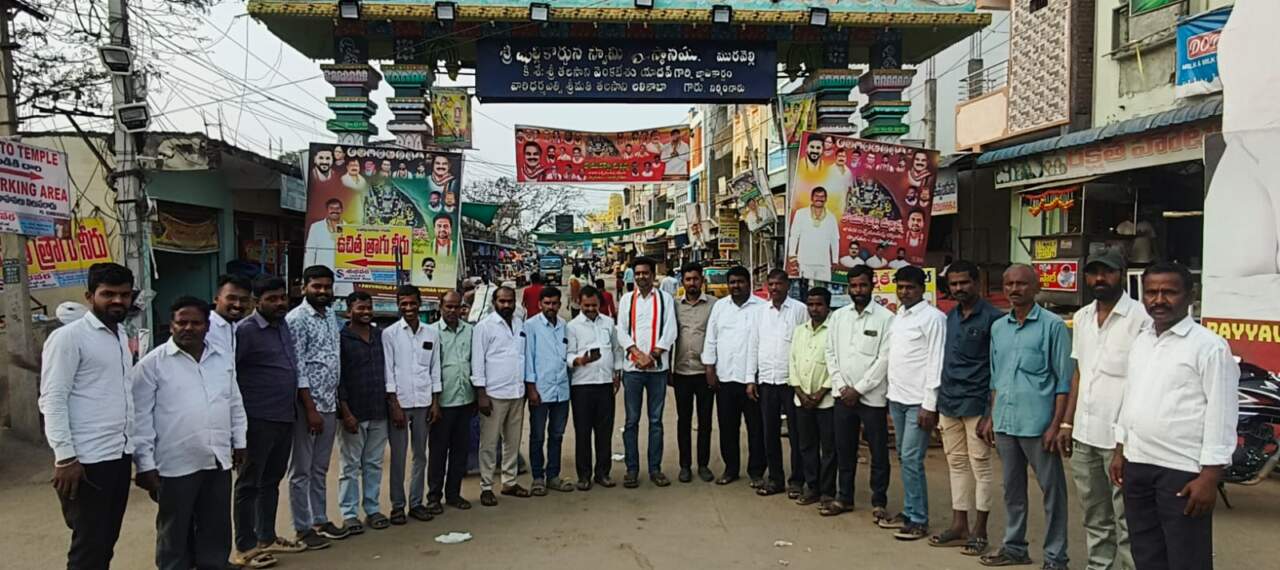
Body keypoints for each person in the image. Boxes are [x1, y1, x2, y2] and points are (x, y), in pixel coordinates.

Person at [1110, 262, 1239, 570]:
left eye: (1169, 292)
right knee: (1146, 555)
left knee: (1186, 560)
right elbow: (1132, 396)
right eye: (1151, 292)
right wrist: (1120, 449)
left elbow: (1222, 413)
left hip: (1182, 471)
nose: (1158, 300)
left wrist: (1210, 476)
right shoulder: (1142, 340)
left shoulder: (1209, 347)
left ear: (1190, 295)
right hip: (1138, 464)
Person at [132, 296, 246, 570]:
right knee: (175, 529)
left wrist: (240, 441)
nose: (188, 328)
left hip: (216, 458)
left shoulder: (221, 359)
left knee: (215, 525)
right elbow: (140, 419)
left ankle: (214, 565)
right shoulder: (152, 365)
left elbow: (234, 402)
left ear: (207, 326)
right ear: (171, 325)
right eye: (181, 322)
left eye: (196, 323)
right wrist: (145, 465)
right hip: (174, 463)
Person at [39, 263, 136, 569]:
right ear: (89, 296)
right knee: (88, 548)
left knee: (105, 542)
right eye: (108, 294)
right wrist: (65, 458)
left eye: (124, 295)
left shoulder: (120, 335)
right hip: (86, 461)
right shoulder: (69, 337)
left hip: (118, 454)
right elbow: (53, 399)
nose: (117, 301)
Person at [980, 264, 1074, 569]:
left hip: (1039, 425)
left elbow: (1064, 381)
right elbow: (996, 377)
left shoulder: (1053, 326)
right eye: (1009, 284)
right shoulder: (999, 327)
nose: (1014, 289)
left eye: (1021, 284)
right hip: (1006, 422)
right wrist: (992, 417)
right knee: (1012, 490)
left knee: (1053, 493)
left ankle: (1056, 558)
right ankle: (1014, 547)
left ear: (1035, 287)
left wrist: (1057, 425)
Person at [1058, 250, 1147, 570]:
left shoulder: (1141, 319)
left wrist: (1124, 442)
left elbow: (1142, 382)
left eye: (1107, 272)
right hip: (1084, 434)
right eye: (1093, 272)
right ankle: (1099, 566)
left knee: (1127, 517)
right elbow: (1079, 372)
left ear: (1121, 274)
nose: (1099, 279)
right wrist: (1067, 423)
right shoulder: (1082, 317)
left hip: (1120, 438)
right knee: (1094, 514)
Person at [233, 276, 307, 566]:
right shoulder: (246, 331)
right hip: (257, 418)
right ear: (257, 301)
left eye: (282, 298)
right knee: (249, 483)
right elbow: (231, 373)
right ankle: (245, 546)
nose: (279, 303)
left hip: (284, 415)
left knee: (271, 480)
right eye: (272, 299)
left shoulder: (283, 324)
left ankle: (266, 536)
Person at [930, 260, 1003, 555]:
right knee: (956, 464)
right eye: (954, 284)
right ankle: (959, 525)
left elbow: (998, 369)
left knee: (981, 466)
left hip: (977, 405)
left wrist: (990, 414)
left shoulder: (994, 319)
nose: (959, 288)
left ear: (977, 282)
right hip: (949, 401)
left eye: (964, 282)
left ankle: (980, 530)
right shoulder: (950, 317)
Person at [880, 265, 947, 541]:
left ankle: (919, 519)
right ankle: (909, 511)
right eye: (901, 287)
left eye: (910, 288)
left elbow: (936, 362)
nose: (904, 292)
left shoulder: (934, 318)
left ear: (922, 289)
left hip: (919, 402)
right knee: (903, 457)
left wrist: (929, 404)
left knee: (910, 458)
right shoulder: (899, 316)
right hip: (897, 398)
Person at [822, 265, 893, 518]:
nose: (858, 290)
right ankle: (844, 498)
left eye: (863, 285)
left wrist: (859, 389)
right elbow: (830, 353)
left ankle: (879, 501)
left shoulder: (886, 318)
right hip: (843, 396)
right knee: (844, 449)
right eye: (853, 286)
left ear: (872, 286)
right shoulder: (838, 317)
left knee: (878, 452)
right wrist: (842, 386)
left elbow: (884, 359)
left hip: (872, 398)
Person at [285, 265, 348, 545]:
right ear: (304, 288)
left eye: (326, 287)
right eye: (316, 286)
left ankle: (320, 519)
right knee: (301, 470)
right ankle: (303, 527)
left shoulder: (331, 315)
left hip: (329, 402)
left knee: (320, 467)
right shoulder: (296, 319)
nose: (322, 291)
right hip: (307, 406)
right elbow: (297, 365)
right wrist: (309, 408)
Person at [615, 256, 678, 488]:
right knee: (631, 421)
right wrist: (636, 354)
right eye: (638, 273)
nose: (641, 277)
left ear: (653, 275)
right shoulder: (626, 300)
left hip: (657, 369)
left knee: (656, 421)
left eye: (645, 273)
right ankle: (632, 469)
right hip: (632, 370)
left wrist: (652, 356)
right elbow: (621, 331)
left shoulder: (665, 299)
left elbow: (670, 330)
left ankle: (655, 469)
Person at [704, 266, 768, 487]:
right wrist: (709, 368)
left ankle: (756, 471)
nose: (736, 286)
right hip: (725, 378)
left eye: (740, 282)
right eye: (732, 282)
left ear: (749, 283)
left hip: (752, 380)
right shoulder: (720, 307)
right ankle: (730, 469)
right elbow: (711, 338)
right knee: (727, 427)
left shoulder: (762, 307)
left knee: (756, 428)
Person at [383, 285, 443, 524]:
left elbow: (435, 368)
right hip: (400, 402)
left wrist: (435, 402)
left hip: (424, 402)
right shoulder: (390, 334)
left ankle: (416, 503)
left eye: (412, 303)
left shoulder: (431, 333)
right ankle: (397, 506)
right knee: (398, 457)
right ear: (398, 305)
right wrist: (394, 404)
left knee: (420, 455)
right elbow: (389, 371)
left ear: (420, 304)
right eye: (403, 304)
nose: (408, 308)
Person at [749, 269, 809, 498]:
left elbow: (805, 343)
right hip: (766, 380)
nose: (774, 288)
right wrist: (751, 379)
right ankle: (775, 479)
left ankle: (797, 481)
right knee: (769, 432)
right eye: (771, 284)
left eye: (779, 284)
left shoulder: (799, 310)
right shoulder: (760, 313)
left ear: (787, 286)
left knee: (796, 433)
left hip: (791, 381)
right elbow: (754, 345)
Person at [336, 292, 391, 534]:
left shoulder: (380, 336)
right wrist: (345, 412)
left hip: (379, 410)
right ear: (349, 311)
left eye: (369, 307)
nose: (366, 312)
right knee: (350, 466)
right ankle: (349, 514)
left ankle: (372, 509)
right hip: (354, 413)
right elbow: (338, 378)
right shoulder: (341, 338)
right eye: (360, 308)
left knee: (373, 463)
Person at [472, 286, 531, 505]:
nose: (506, 305)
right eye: (502, 301)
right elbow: (477, 361)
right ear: (494, 302)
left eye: (510, 301)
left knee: (512, 442)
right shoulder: (484, 327)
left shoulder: (520, 324)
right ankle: (486, 486)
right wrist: (481, 394)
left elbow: (522, 356)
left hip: (516, 392)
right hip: (493, 394)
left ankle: (509, 482)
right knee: (489, 443)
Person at [567, 286, 623, 490]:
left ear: (600, 304)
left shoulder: (608, 323)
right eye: (586, 305)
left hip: (605, 384)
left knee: (604, 432)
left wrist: (617, 373)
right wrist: (579, 360)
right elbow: (568, 354)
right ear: (579, 304)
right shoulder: (572, 326)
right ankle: (584, 476)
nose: (591, 309)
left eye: (594, 305)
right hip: (582, 386)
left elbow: (616, 349)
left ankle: (603, 473)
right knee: (583, 432)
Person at [427, 291, 477, 514]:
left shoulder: (470, 331)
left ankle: (454, 494)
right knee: (438, 452)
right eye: (448, 306)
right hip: (442, 403)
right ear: (440, 307)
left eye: (457, 307)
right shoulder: (431, 332)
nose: (453, 311)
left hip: (465, 399)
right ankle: (434, 497)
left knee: (460, 451)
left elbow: (475, 363)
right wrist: (434, 402)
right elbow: (429, 368)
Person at [789, 286, 836, 509]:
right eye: (810, 304)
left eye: (819, 304)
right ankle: (812, 487)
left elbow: (836, 365)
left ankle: (827, 491)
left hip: (826, 400)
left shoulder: (834, 330)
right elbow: (792, 362)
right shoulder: (800, 331)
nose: (814, 309)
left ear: (827, 306)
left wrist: (820, 393)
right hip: (802, 400)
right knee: (806, 446)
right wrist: (800, 392)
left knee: (829, 448)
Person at [524, 286, 574, 494]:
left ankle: (553, 475)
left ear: (560, 305)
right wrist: (531, 389)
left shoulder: (564, 326)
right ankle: (538, 477)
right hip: (540, 390)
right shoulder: (531, 326)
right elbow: (528, 358)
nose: (551, 307)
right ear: (539, 304)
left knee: (557, 435)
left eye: (554, 303)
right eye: (547, 303)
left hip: (561, 389)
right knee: (537, 435)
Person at [672, 263, 716, 483]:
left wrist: (713, 368)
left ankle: (703, 464)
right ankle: (685, 466)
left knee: (705, 421)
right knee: (684, 420)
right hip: (681, 372)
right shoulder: (674, 306)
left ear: (702, 281)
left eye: (696, 279)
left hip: (704, 372)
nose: (692, 283)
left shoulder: (714, 305)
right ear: (682, 282)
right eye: (688, 279)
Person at [787, 187, 841, 281]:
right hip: (804, 261)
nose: (819, 199)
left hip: (824, 263)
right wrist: (792, 255)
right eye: (817, 196)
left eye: (822, 196)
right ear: (811, 198)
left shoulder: (831, 217)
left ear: (826, 199)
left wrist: (835, 260)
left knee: (823, 289)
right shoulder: (800, 214)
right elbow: (794, 236)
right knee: (806, 288)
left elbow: (835, 240)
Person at [305, 198, 343, 268]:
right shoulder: (316, 227)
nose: (335, 211)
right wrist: (308, 272)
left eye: (337, 208)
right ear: (327, 210)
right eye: (331, 208)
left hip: (342, 271)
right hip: (322, 271)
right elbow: (310, 251)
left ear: (341, 210)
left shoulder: (348, 228)